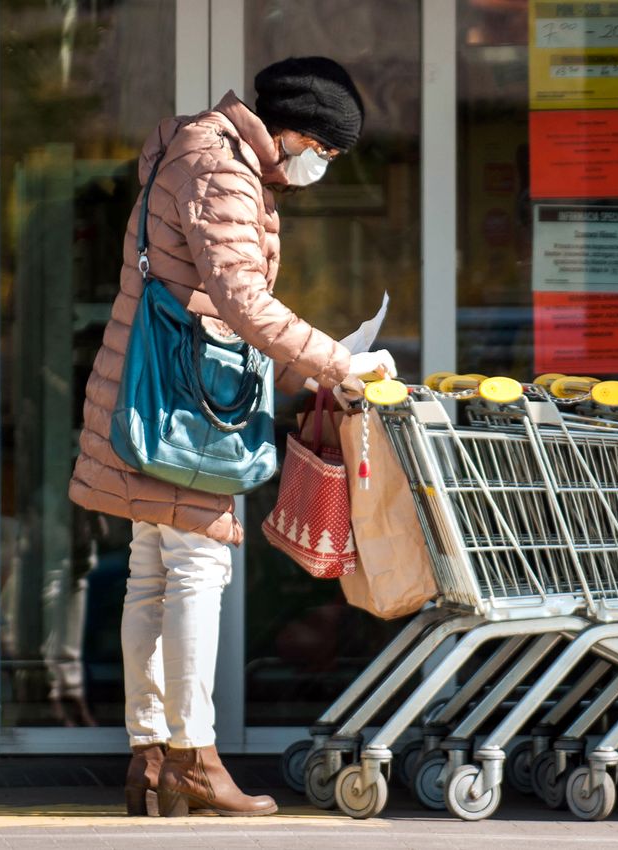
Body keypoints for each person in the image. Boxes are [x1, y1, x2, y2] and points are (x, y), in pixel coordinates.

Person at [69, 56, 395, 818]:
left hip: (166, 392)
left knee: (153, 569)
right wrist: (338, 361)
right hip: (190, 408)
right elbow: (241, 301)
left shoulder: (198, 150)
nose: (321, 169)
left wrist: (302, 371)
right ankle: (194, 756)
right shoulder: (223, 167)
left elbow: (210, 299)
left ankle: (150, 756)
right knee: (195, 571)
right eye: (326, 154)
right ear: (294, 133)